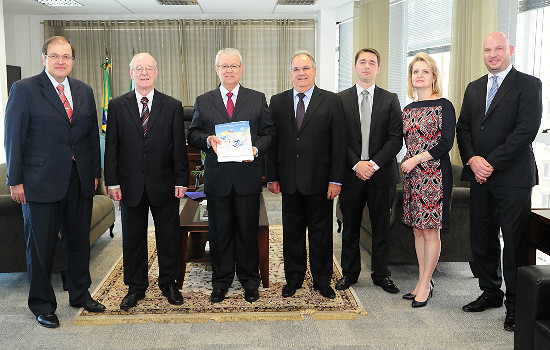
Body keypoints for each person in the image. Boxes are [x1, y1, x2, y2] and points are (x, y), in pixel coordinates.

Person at [4, 36, 105, 328]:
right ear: (44, 59)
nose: (61, 61)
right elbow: (14, 137)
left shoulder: (84, 90)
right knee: (41, 247)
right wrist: (16, 181)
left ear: (73, 60)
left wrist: (94, 172)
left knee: (78, 243)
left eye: (66, 56)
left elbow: (89, 136)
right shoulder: (24, 89)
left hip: (79, 180)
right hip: (39, 183)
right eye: (54, 56)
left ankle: (80, 294)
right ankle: (42, 304)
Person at [456, 32, 542, 331]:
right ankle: (491, 292)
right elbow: (463, 127)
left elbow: (526, 130)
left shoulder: (528, 84)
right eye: (487, 50)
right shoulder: (475, 87)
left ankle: (516, 307)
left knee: (515, 245)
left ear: (511, 50)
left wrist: (490, 162)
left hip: (512, 179)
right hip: (479, 177)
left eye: (498, 49)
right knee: (482, 239)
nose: (492, 54)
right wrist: (472, 159)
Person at [187, 48, 275, 303]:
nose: (229, 70)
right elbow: (192, 134)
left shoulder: (257, 99)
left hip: (247, 177)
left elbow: (270, 133)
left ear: (241, 68)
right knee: (220, 232)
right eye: (224, 66)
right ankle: (221, 281)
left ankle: (250, 281)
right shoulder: (204, 101)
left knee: (247, 232)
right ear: (216, 69)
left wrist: (256, 148)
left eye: (233, 66)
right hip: (218, 179)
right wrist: (207, 140)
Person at [104, 53, 189, 311]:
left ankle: (169, 283)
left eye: (148, 68)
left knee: (168, 236)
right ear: (131, 73)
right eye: (138, 69)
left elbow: (178, 147)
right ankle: (135, 286)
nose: (143, 73)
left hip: (164, 183)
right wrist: (113, 182)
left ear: (156, 72)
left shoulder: (173, 106)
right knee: (133, 237)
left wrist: (181, 179)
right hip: (130, 185)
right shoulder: (117, 106)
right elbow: (112, 149)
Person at [266, 50, 346, 299]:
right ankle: (294, 279)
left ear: (314, 71)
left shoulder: (331, 101)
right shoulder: (277, 101)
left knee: (321, 235)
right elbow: (272, 141)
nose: (301, 73)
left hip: (322, 181)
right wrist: (271, 176)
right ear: (290, 73)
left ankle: (323, 281)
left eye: (306, 69)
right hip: (289, 180)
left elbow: (339, 143)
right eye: (296, 69)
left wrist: (336, 179)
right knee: (292, 234)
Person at [336, 48, 403, 294]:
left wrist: (373, 165)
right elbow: (337, 138)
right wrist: (357, 164)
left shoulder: (390, 98)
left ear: (378, 68)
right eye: (362, 62)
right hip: (351, 174)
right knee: (350, 226)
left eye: (372, 62)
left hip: (381, 175)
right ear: (355, 67)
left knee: (381, 227)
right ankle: (349, 274)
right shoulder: (340, 99)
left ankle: (381, 274)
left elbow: (396, 139)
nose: (366, 66)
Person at [401, 53, 456, 308]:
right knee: (417, 230)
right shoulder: (408, 109)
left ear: (434, 76)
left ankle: (425, 283)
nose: (419, 75)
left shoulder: (444, 105)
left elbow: (446, 143)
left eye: (425, 71)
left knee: (430, 230)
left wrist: (415, 160)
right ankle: (423, 280)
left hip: (435, 175)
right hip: (413, 177)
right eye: (415, 72)